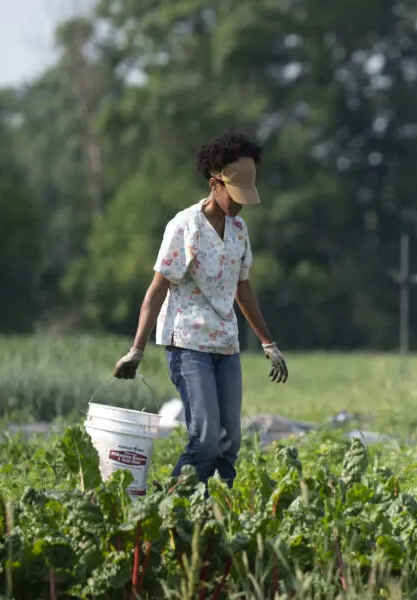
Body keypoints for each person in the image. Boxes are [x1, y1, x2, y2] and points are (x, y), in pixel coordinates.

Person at [111, 131, 289, 488]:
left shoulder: (239, 231)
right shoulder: (184, 227)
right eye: (235, 197)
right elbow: (157, 290)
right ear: (214, 183)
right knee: (206, 438)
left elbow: (243, 290)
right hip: (188, 342)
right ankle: (171, 506)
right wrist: (136, 350)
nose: (240, 205)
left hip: (226, 343)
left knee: (230, 443)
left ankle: (214, 516)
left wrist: (268, 343)